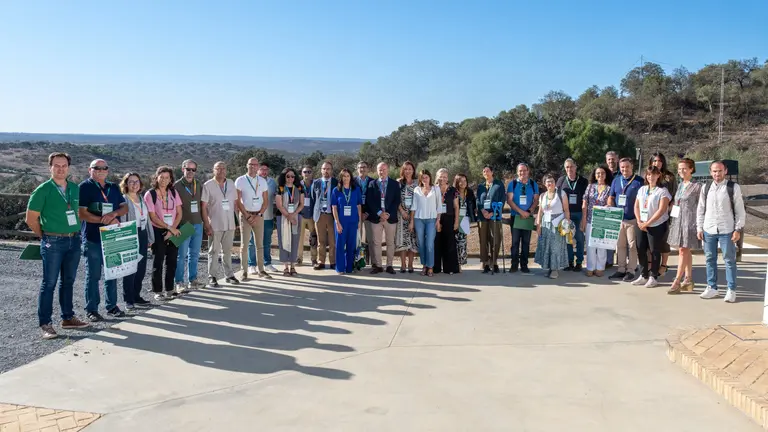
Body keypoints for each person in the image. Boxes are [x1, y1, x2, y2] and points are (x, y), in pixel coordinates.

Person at [26, 152, 90, 339]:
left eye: (64, 165)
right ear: (50, 167)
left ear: (68, 168)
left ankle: (68, 318)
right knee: (49, 283)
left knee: (68, 281)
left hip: (74, 239)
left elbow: (77, 213)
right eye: (56, 165)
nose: (60, 169)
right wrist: (45, 236)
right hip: (52, 241)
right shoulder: (43, 190)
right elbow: (31, 219)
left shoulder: (74, 188)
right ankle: (45, 323)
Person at [79, 159, 129, 321]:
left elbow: (124, 207)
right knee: (93, 275)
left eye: (104, 168)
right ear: (90, 170)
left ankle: (112, 306)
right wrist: (103, 219)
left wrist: (113, 215)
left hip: (112, 237)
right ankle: (92, 309)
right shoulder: (84, 187)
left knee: (112, 273)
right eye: (97, 168)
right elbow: (82, 213)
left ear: (107, 171)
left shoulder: (113, 187)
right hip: (93, 237)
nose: (101, 170)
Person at [697, 160, 746, 303]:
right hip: (709, 229)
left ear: (725, 171)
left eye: (719, 171)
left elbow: (740, 211)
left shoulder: (733, 187)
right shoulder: (705, 188)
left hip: (727, 229)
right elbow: (700, 209)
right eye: (714, 171)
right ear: (710, 172)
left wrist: (738, 229)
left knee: (729, 260)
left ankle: (731, 290)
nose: (717, 174)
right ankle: (712, 287)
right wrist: (699, 227)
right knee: (709, 259)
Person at [145, 166, 184, 299]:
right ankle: (157, 291)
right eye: (161, 177)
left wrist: (172, 229)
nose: (164, 180)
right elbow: (153, 216)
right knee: (158, 260)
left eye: (167, 177)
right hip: (158, 229)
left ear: (170, 179)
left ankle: (169, 289)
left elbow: (179, 212)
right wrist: (169, 228)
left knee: (172, 260)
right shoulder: (150, 194)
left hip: (173, 229)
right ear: (156, 177)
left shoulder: (173, 192)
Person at [630, 166, 672, 288]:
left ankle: (653, 276)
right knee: (641, 249)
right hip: (641, 224)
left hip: (656, 225)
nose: (651, 177)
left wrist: (647, 223)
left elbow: (661, 210)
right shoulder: (642, 189)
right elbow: (636, 206)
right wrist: (639, 221)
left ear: (658, 175)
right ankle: (643, 275)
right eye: (648, 175)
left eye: (653, 174)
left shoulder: (662, 191)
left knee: (654, 251)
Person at [201, 161, 240, 287]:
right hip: (215, 224)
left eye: (223, 168)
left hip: (229, 224)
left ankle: (229, 275)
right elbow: (204, 206)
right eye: (218, 168)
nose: (221, 171)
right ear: (213, 170)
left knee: (227, 251)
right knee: (214, 251)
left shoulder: (231, 183)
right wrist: (207, 224)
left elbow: (234, 204)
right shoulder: (208, 185)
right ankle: (212, 276)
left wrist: (236, 221)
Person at [667, 158, 701, 294]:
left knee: (683, 250)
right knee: (685, 251)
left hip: (690, 222)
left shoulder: (697, 186)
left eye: (684, 168)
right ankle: (688, 279)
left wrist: (699, 225)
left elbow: (700, 206)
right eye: (679, 169)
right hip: (679, 221)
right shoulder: (681, 185)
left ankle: (677, 281)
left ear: (691, 169)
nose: (681, 171)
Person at [119, 172, 154, 310]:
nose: (134, 184)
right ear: (126, 184)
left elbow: (148, 218)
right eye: (131, 182)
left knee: (141, 267)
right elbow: (122, 220)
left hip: (143, 233)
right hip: (130, 233)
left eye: (137, 181)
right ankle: (128, 299)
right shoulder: (123, 199)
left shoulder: (141, 199)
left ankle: (136, 295)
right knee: (130, 268)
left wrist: (150, 237)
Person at [607, 157, 643, 282]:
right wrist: (610, 205)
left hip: (632, 219)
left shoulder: (639, 181)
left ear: (631, 166)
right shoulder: (616, 181)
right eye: (622, 167)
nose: (624, 169)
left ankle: (631, 270)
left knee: (632, 246)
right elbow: (611, 197)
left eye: (627, 167)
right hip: (619, 219)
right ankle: (621, 269)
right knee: (620, 245)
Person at [235, 157, 270, 280]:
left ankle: (261, 270)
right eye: (251, 164)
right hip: (245, 216)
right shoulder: (240, 180)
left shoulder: (262, 181)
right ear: (247, 165)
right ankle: (244, 271)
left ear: (258, 166)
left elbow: (266, 201)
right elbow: (237, 200)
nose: (253, 166)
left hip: (259, 216)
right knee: (244, 245)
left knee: (259, 244)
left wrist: (259, 214)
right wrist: (247, 215)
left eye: (255, 164)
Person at [365, 162, 401, 275]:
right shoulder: (372, 184)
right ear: (377, 171)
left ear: (388, 170)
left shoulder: (395, 184)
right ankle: (378, 266)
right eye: (380, 170)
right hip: (376, 218)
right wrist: (380, 213)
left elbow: (397, 201)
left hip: (390, 218)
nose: (382, 172)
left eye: (384, 169)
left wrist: (387, 214)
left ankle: (389, 265)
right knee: (376, 242)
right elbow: (369, 201)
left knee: (390, 242)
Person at [174, 159, 204, 292]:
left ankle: (193, 280)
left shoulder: (198, 184)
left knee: (194, 254)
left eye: (193, 170)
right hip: (183, 225)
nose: (191, 172)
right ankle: (179, 282)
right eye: (188, 169)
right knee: (181, 256)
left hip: (198, 224)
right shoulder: (176, 186)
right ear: (183, 169)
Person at [534, 174, 571, 279]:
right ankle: (549, 267)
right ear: (544, 184)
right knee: (547, 247)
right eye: (548, 182)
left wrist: (566, 224)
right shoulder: (542, 196)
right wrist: (538, 225)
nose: (550, 183)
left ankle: (555, 269)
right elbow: (540, 211)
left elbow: (566, 210)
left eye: (552, 181)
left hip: (557, 224)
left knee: (555, 247)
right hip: (546, 224)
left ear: (555, 183)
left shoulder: (561, 193)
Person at [581, 165, 614, 277]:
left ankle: (600, 267)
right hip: (590, 220)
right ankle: (590, 267)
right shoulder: (590, 187)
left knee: (601, 245)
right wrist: (584, 220)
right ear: (594, 175)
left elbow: (610, 202)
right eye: (598, 173)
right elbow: (585, 202)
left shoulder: (609, 188)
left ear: (606, 175)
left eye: (602, 173)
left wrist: (608, 206)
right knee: (590, 245)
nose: (600, 175)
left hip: (602, 221)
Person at [507, 163, 539, 273]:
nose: (522, 173)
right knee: (515, 242)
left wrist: (529, 211)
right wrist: (521, 211)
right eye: (520, 171)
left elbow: (536, 200)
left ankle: (524, 265)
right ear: (517, 172)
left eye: (524, 170)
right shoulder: (513, 184)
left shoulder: (533, 184)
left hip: (528, 217)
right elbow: (509, 200)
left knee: (526, 242)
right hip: (516, 216)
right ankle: (514, 265)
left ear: (528, 171)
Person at [556, 158, 588, 271]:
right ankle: (569, 261)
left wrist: (584, 216)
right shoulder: (560, 181)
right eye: (567, 167)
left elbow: (586, 199)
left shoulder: (583, 181)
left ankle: (579, 262)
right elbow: (557, 197)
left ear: (576, 167)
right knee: (568, 238)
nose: (569, 169)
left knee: (579, 238)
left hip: (579, 213)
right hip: (566, 215)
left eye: (571, 166)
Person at [649, 152, 677, 277]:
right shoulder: (648, 175)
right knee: (651, 242)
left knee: (664, 241)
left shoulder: (669, 177)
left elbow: (677, 196)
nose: (657, 163)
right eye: (654, 161)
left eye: (659, 161)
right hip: (650, 214)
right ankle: (651, 265)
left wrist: (674, 215)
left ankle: (664, 265)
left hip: (667, 214)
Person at [274, 167, 305, 276]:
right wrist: (288, 216)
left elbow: (302, 204)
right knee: (284, 241)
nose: (290, 178)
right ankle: (285, 267)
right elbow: (279, 205)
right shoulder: (280, 188)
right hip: (283, 217)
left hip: (296, 217)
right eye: (288, 176)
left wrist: (294, 215)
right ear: (284, 177)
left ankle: (293, 266)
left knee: (295, 240)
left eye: (293, 176)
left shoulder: (299, 188)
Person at [331, 168, 363, 274]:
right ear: (341, 178)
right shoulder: (336, 190)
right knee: (340, 245)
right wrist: (337, 222)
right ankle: (340, 268)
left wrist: (359, 221)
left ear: (351, 177)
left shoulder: (356, 189)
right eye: (343, 176)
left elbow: (359, 206)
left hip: (353, 222)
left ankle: (349, 268)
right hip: (341, 222)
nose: (346, 178)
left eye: (348, 176)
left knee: (351, 246)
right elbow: (334, 207)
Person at [409, 169, 440, 277]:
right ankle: (424, 266)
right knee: (421, 244)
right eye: (423, 177)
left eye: (426, 177)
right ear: (420, 179)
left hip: (431, 220)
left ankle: (430, 266)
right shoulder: (417, 189)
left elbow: (439, 206)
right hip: (418, 220)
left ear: (430, 178)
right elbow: (413, 207)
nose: (425, 179)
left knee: (429, 244)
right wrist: (412, 221)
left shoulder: (436, 189)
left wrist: (438, 221)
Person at [250, 163, 278, 273]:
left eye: (266, 169)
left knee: (267, 241)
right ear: (257, 170)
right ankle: (252, 264)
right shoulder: (251, 181)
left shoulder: (272, 183)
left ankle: (267, 263)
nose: (264, 171)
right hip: (254, 216)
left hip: (268, 217)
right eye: (262, 169)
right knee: (252, 242)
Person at [476, 166, 505, 273]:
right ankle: (485, 262)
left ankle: (494, 261)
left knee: (496, 239)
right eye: (484, 171)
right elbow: (478, 200)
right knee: (483, 240)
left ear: (492, 172)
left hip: (495, 215)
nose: (486, 172)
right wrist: (483, 210)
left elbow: (502, 199)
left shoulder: (498, 184)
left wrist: (494, 212)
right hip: (482, 216)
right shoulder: (481, 186)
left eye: (488, 171)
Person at [310, 161, 337, 270]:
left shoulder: (336, 182)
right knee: (321, 241)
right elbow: (313, 198)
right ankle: (321, 261)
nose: (326, 171)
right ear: (321, 170)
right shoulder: (316, 183)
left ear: (331, 170)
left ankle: (333, 262)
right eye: (324, 169)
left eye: (328, 169)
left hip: (332, 215)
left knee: (332, 241)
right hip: (320, 214)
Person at [434, 168, 460, 275]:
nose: (442, 178)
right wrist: (437, 221)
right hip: (436, 218)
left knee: (449, 243)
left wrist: (456, 221)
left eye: (444, 176)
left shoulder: (453, 190)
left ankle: (450, 268)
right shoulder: (433, 189)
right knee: (436, 243)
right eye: (440, 176)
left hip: (449, 218)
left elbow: (456, 207)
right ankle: (435, 268)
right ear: (437, 177)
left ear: (447, 178)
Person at [395, 161, 418, 273]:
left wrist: (411, 218)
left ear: (413, 170)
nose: (408, 171)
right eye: (406, 169)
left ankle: (410, 264)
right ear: (402, 171)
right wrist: (402, 211)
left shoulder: (417, 184)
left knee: (413, 240)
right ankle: (403, 264)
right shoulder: (398, 183)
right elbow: (395, 199)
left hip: (414, 215)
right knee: (402, 241)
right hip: (401, 216)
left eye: (410, 169)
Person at [454, 173, 477, 268]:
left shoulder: (470, 192)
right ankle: (453, 264)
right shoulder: (454, 192)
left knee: (462, 243)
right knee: (454, 242)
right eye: (461, 181)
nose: (463, 183)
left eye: (465, 181)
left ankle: (460, 264)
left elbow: (474, 205)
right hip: (454, 219)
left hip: (465, 220)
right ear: (457, 182)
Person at [297, 165, 318, 266]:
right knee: (299, 238)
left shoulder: (316, 184)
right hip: (301, 215)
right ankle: (298, 258)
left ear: (312, 173)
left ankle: (314, 259)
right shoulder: (298, 185)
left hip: (312, 216)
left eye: (309, 172)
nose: (307, 174)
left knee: (314, 238)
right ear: (302, 173)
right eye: (305, 172)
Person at [356, 161, 375, 266]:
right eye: (360, 167)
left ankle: (373, 263)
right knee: (357, 239)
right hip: (356, 214)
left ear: (368, 169)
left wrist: (367, 212)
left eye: (364, 167)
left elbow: (374, 199)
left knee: (371, 239)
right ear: (357, 169)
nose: (362, 169)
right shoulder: (352, 181)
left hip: (369, 214)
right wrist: (359, 213)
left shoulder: (373, 182)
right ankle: (358, 261)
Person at [605, 150, 620, 268]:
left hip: (620, 209)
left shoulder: (622, 173)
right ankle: (608, 261)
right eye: (609, 159)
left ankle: (621, 262)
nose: (611, 161)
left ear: (617, 159)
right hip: (607, 209)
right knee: (608, 236)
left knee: (621, 239)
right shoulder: (603, 174)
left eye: (613, 159)